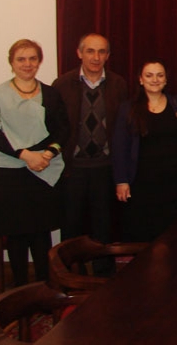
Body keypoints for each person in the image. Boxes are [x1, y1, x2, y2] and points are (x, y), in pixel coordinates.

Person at [0, 39, 69, 286]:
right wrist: (25, 155)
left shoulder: (51, 93)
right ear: (11, 62)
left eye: (32, 58)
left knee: (41, 232)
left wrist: (48, 154)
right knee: (16, 234)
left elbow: (63, 130)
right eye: (21, 59)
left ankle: (44, 288)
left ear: (39, 62)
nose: (27, 64)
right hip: (8, 175)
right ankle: (19, 290)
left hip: (43, 171)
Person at [52, 33, 127, 263]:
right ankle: (71, 275)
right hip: (72, 168)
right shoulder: (62, 84)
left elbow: (124, 128)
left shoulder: (118, 84)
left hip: (105, 167)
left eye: (101, 51)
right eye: (90, 51)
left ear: (108, 55)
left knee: (104, 227)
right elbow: (55, 126)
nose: (96, 57)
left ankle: (104, 277)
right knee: (71, 226)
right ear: (79, 53)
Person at [113, 59, 177, 242]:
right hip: (143, 182)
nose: (155, 80)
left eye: (160, 75)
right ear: (140, 79)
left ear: (166, 79)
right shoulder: (128, 108)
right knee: (146, 232)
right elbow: (120, 147)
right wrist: (121, 180)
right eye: (149, 75)